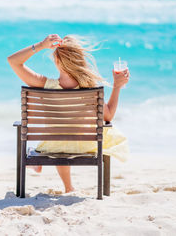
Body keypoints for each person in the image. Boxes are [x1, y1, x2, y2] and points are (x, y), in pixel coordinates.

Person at [7, 34, 130, 193]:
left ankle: (66, 185)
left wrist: (41, 45)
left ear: (57, 61)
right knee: (70, 136)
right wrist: (117, 86)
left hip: (53, 146)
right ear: (80, 61)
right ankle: (68, 187)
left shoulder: (45, 85)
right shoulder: (89, 88)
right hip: (85, 144)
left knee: (60, 138)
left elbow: (13, 61)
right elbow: (108, 117)